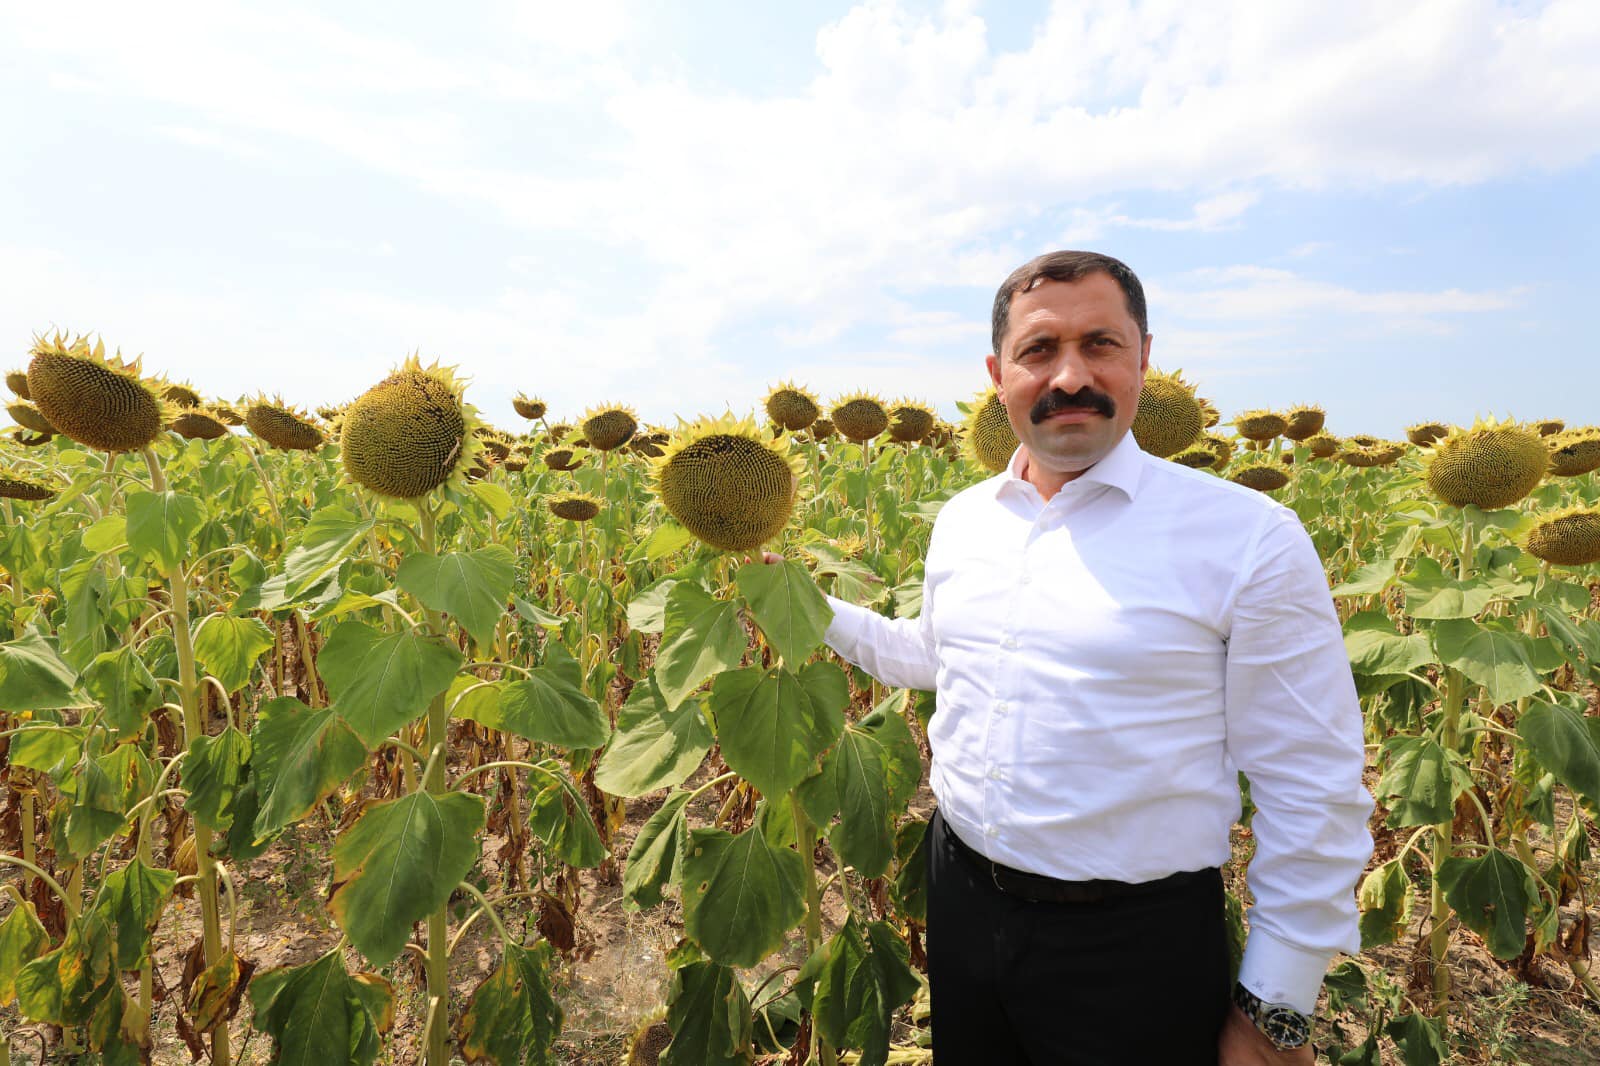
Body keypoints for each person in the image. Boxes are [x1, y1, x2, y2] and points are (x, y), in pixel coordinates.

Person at [780, 250, 1374, 1065]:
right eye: (1038, 350)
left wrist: (1276, 1008)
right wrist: (794, 598)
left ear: (1143, 358)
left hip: (1129, 945)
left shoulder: (1247, 539)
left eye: (1100, 344)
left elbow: (1313, 784)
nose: (1069, 376)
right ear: (998, 373)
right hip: (960, 900)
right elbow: (930, 654)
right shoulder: (966, 520)